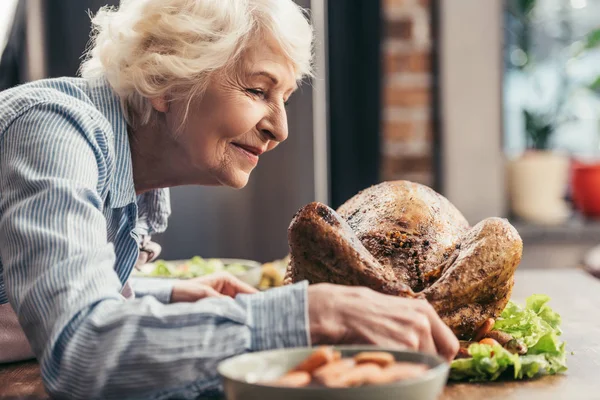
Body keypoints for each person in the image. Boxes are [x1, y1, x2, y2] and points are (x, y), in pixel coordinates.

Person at [0, 0, 459, 398]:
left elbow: (37, 295)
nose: (280, 129)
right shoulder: (55, 132)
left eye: (284, 98)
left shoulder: (127, 173)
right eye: (258, 90)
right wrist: (310, 313)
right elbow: (79, 350)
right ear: (164, 78)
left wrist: (166, 296)